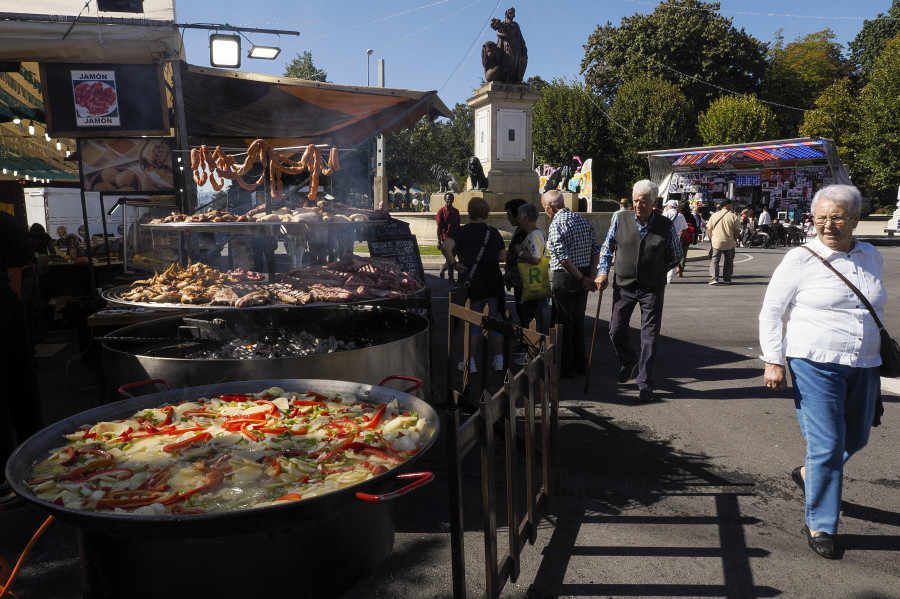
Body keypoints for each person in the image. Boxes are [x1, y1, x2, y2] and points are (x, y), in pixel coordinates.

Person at [759, 184, 883, 560]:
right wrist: (773, 359)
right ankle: (822, 524)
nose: (828, 225)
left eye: (837, 217)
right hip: (814, 360)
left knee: (856, 438)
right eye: (820, 218)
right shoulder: (802, 258)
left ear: (856, 219)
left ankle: (810, 474)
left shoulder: (871, 254)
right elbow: (771, 310)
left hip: (864, 362)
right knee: (827, 444)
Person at [595, 180, 682, 401]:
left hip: (651, 288)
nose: (638, 205)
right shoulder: (620, 218)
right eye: (635, 200)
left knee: (649, 336)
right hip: (624, 284)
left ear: (654, 202)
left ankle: (645, 382)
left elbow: (675, 255)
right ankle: (629, 359)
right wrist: (602, 272)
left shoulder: (664, 224)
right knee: (615, 330)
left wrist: (658, 271)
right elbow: (607, 248)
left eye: (643, 201)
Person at [1, 211, 43, 511]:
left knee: (13, 389)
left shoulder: (4, 222)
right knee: (20, 386)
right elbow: (22, 269)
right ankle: (32, 465)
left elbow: (18, 270)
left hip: (3, 304)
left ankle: (10, 476)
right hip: (6, 304)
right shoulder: (5, 220)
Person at [441, 197, 507, 372]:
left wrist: (454, 263)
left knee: (472, 321)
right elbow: (502, 257)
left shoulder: (461, 232)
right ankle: (499, 359)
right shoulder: (493, 232)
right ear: (486, 213)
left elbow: (445, 246)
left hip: (471, 279)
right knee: (494, 318)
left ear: (469, 212)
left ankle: (470, 362)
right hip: (492, 279)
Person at [542, 189, 600, 378]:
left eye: (545, 208)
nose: (545, 212)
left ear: (551, 207)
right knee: (578, 321)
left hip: (566, 276)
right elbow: (595, 250)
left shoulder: (556, 224)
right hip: (583, 272)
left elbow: (563, 258)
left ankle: (566, 366)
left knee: (562, 323)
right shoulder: (582, 219)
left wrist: (583, 279)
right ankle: (581, 364)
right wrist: (590, 277)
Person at [512, 202, 546, 335]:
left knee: (530, 316)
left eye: (519, 217)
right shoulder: (536, 233)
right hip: (532, 283)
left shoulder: (533, 235)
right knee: (531, 316)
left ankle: (531, 350)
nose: (517, 220)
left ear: (526, 218)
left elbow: (536, 259)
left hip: (529, 284)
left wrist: (519, 253)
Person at [503, 198, 528, 325]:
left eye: (509, 215)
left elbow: (517, 253)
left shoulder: (525, 231)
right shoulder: (520, 229)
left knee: (525, 313)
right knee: (521, 311)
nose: (508, 218)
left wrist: (510, 254)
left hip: (523, 279)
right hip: (518, 278)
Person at [707, 197, 741, 285]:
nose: (733, 206)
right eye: (732, 204)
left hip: (716, 241)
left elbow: (709, 229)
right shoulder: (734, 216)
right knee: (729, 260)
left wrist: (711, 239)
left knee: (715, 259)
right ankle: (727, 278)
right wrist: (735, 240)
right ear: (727, 205)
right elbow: (737, 230)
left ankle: (714, 278)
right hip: (729, 241)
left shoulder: (714, 215)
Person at [436, 192, 461, 282]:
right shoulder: (441, 211)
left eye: (450, 199)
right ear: (444, 200)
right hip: (446, 237)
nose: (449, 200)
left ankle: (443, 268)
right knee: (450, 257)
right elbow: (439, 227)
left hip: (455, 237)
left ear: (453, 200)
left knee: (451, 257)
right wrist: (439, 240)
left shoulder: (456, 211)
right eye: (447, 199)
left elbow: (458, 225)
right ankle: (451, 278)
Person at [662, 199, 687, 282]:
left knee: (664, 256)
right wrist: (681, 240)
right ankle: (670, 278)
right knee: (673, 256)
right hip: (677, 237)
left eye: (666, 206)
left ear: (670, 206)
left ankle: (664, 275)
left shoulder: (665, 214)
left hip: (666, 237)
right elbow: (684, 229)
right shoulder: (681, 216)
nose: (665, 207)